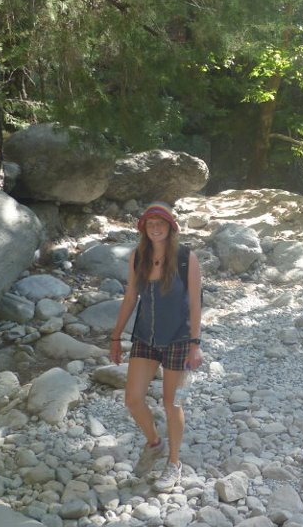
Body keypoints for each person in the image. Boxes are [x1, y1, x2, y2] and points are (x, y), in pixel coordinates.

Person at [110, 201, 203, 488]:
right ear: (144, 229)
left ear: (171, 227)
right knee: (133, 399)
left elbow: (195, 303)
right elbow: (130, 298)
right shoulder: (138, 256)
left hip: (179, 339)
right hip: (145, 337)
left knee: (173, 403)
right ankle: (154, 443)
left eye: (160, 223)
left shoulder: (186, 258)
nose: (155, 228)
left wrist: (195, 344)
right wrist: (116, 337)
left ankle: (174, 464)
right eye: (150, 224)